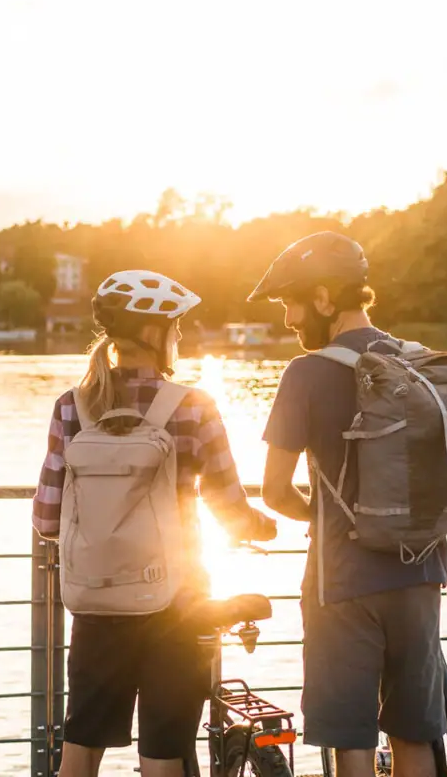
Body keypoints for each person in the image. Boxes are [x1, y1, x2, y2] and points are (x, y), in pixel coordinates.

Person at [250, 232, 447, 777]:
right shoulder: (422, 363)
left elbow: (276, 491)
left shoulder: (304, 375)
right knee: (413, 734)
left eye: (291, 303)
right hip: (420, 574)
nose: (288, 320)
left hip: (342, 584)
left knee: (352, 738)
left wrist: (323, 517)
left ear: (325, 298)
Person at [32, 269, 277, 777]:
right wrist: (260, 526)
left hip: (97, 602)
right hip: (179, 604)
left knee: (79, 752)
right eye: (175, 327)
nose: (180, 337)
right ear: (155, 333)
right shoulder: (193, 407)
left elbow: (46, 518)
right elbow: (229, 509)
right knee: (164, 754)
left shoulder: (71, 407)